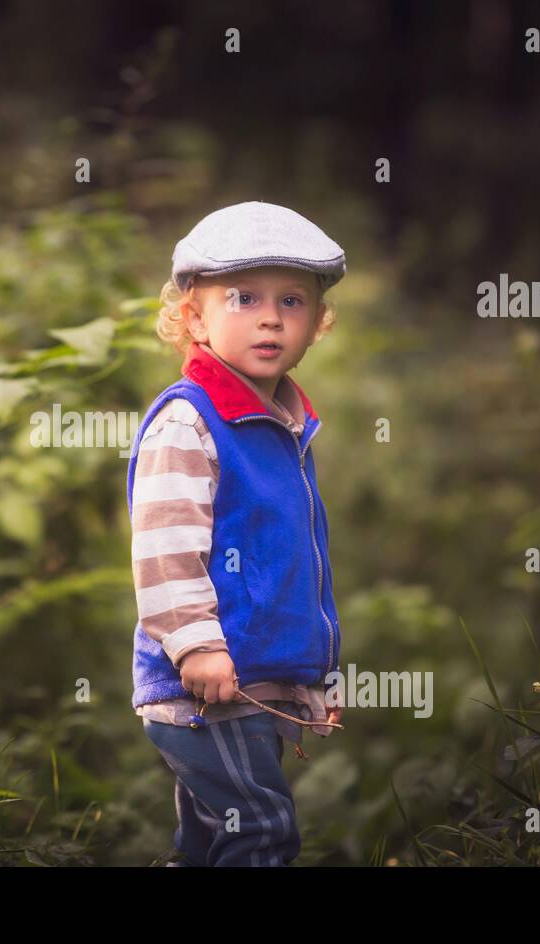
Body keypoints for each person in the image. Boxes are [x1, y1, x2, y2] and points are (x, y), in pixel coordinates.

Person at [126, 200, 347, 866]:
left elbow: (290, 571)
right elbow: (165, 550)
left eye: (293, 300)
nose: (272, 317)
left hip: (251, 688)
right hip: (206, 690)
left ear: (317, 323)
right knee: (260, 832)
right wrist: (194, 646)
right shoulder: (190, 422)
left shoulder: (282, 427)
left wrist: (310, 681)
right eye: (243, 297)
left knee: (210, 841)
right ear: (193, 316)